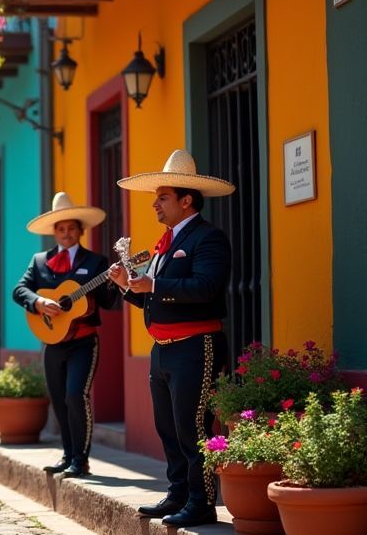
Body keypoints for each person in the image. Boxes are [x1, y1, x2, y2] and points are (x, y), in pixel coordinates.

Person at [108, 149, 234, 528]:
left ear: (186, 200)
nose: (155, 206)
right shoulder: (166, 243)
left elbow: (208, 287)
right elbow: (154, 294)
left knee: (192, 426)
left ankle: (202, 501)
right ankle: (178, 492)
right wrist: (126, 287)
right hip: (163, 349)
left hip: (197, 346)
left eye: (162, 198)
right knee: (168, 426)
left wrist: (155, 283)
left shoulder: (208, 238)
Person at [12, 192, 120, 479]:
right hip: (52, 342)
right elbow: (19, 290)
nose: (66, 233)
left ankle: (81, 459)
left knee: (76, 395)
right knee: (59, 399)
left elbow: (109, 303)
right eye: (60, 228)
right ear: (54, 232)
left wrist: (113, 283)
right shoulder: (40, 261)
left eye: (71, 227)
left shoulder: (97, 262)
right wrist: (38, 302)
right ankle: (67, 453)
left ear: (80, 230)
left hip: (84, 340)